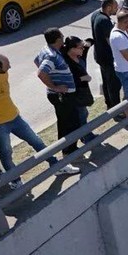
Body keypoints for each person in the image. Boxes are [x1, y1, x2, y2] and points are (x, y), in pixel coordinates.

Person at [0, 54, 78, 187]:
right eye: (7, 65)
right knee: (6, 152)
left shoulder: (3, 73)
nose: (10, 67)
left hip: (15, 117)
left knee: (36, 141)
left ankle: (56, 166)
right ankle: (15, 181)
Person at [36, 28, 81, 159]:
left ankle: (67, 149)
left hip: (61, 95)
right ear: (57, 40)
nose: (63, 39)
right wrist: (55, 87)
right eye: (62, 37)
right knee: (71, 123)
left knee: (64, 122)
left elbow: (36, 60)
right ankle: (69, 151)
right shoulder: (51, 55)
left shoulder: (46, 50)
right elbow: (41, 73)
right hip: (62, 96)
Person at [61, 36, 97, 145]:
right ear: (72, 49)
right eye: (80, 48)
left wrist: (86, 43)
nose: (83, 49)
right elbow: (68, 80)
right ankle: (86, 136)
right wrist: (83, 78)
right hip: (74, 93)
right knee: (82, 114)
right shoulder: (66, 62)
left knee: (84, 113)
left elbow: (91, 41)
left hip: (83, 90)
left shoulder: (80, 54)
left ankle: (85, 135)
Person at [90, 0, 121, 109]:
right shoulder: (104, 21)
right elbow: (111, 42)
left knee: (106, 81)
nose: (116, 9)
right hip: (107, 57)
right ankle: (117, 108)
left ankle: (109, 104)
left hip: (99, 55)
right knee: (113, 84)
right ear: (108, 7)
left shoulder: (95, 14)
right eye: (115, 7)